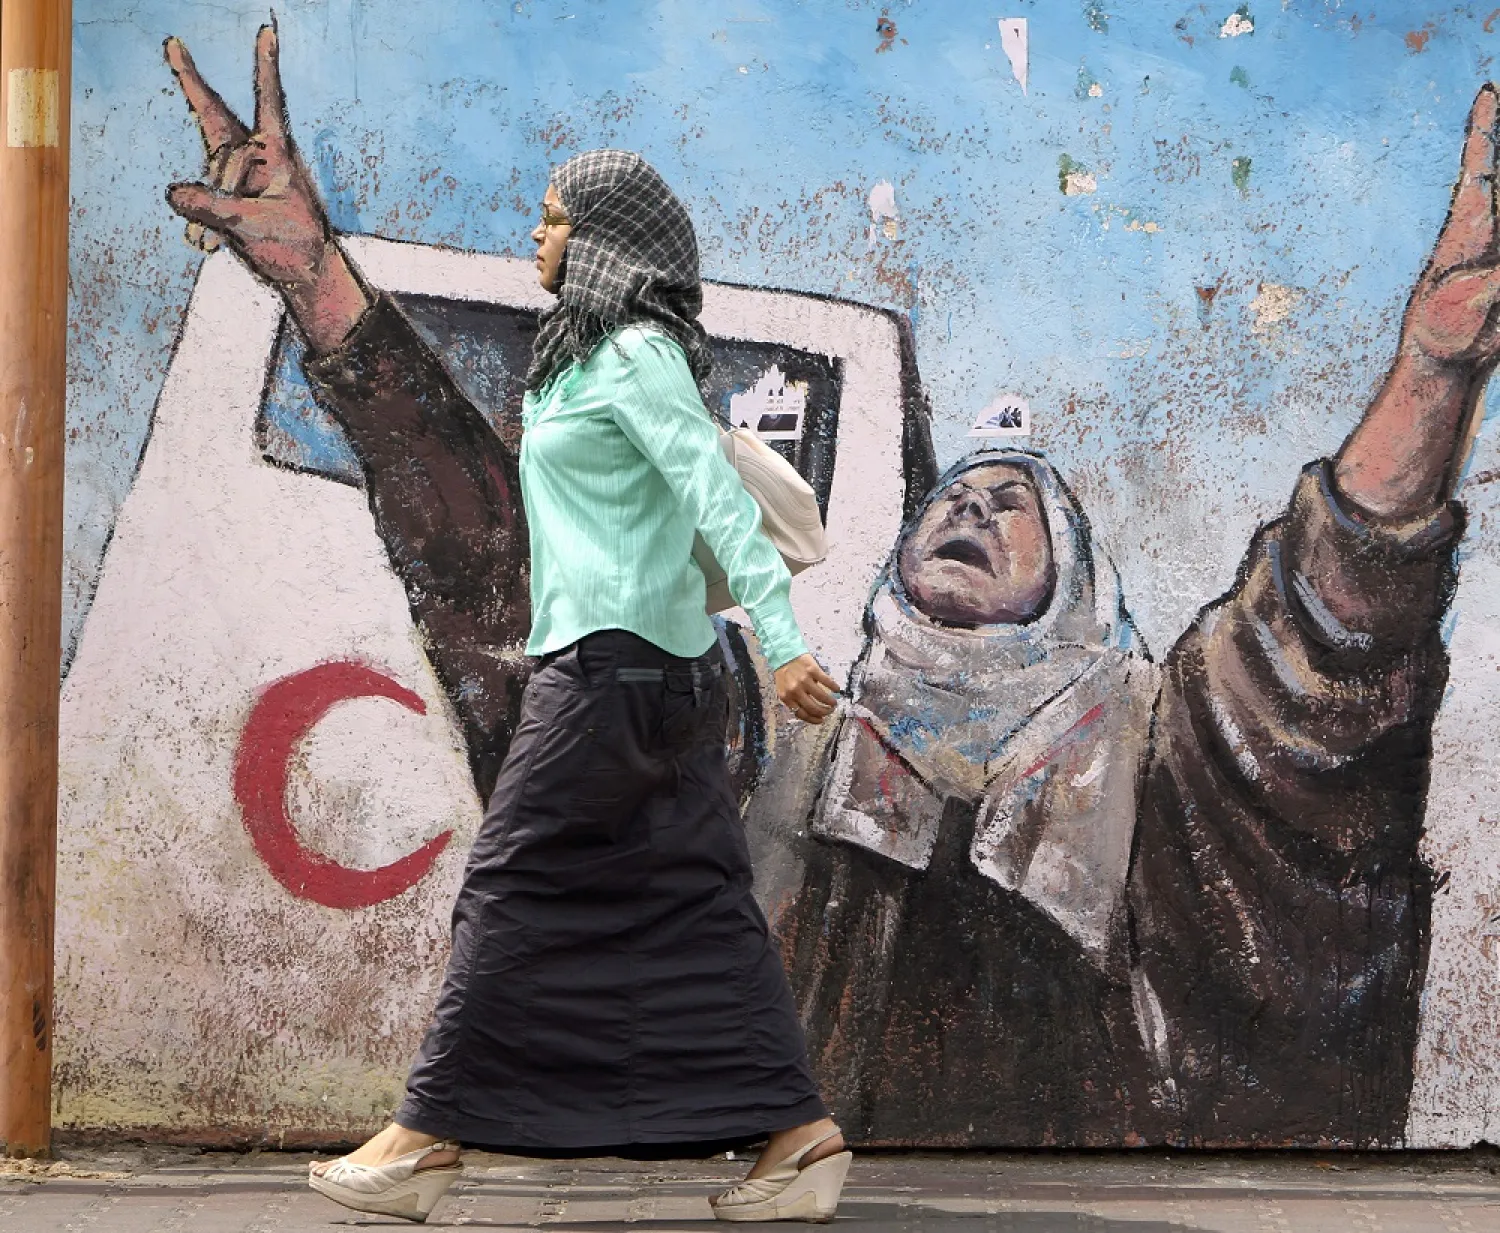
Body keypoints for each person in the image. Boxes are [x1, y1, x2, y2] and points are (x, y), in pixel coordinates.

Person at [164, 24, 853, 1224]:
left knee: (512, 881)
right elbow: (474, 507)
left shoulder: (637, 354)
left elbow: (714, 497)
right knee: (699, 899)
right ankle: (802, 1141)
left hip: (613, 676)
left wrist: (786, 645)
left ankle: (426, 1137)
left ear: (605, 245)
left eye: (553, 221)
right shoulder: (581, 367)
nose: (536, 237)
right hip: (646, 676)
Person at [771, 81, 1500, 1146]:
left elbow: (1308, 662)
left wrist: (1430, 375)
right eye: (951, 497)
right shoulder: (800, 754)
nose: (969, 503)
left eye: (1012, 502)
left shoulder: (1155, 747)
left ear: (1075, 586)